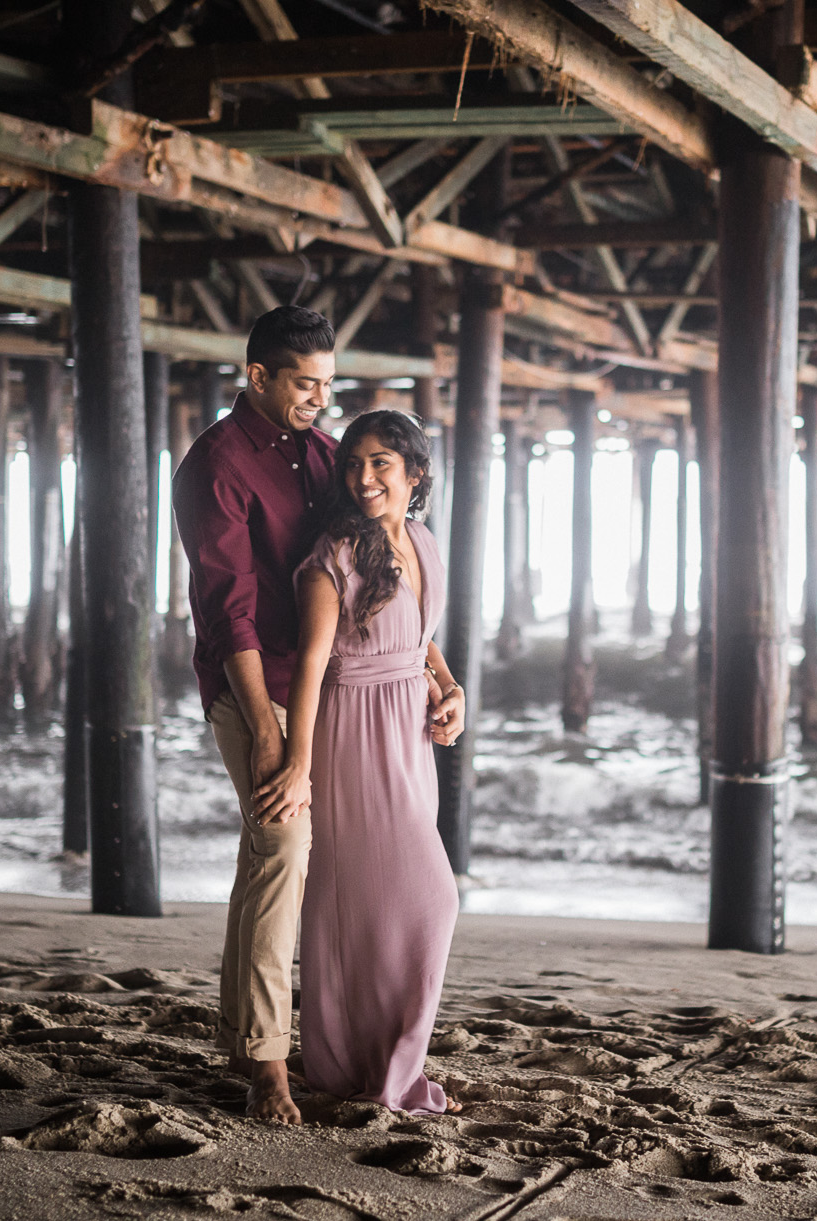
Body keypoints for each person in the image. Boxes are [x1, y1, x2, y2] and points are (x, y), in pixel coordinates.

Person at [170, 306, 337, 1124]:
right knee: (282, 838)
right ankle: (268, 1062)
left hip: (315, 681)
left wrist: (435, 671)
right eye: (305, 383)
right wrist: (271, 738)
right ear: (258, 375)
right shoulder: (214, 465)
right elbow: (225, 612)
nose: (319, 398)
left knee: (266, 852)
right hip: (247, 683)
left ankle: (244, 1033)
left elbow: (374, 566)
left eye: (327, 385)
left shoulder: (327, 454)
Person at [278, 410, 465, 1115]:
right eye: (354, 463)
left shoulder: (420, 538)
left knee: (380, 909)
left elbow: (421, 638)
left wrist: (452, 689)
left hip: (411, 731)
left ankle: (360, 1062)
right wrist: (299, 763)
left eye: (381, 462)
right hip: (353, 729)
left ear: (414, 472)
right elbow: (311, 664)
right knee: (429, 898)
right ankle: (387, 1071)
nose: (363, 477)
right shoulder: (335, 553)